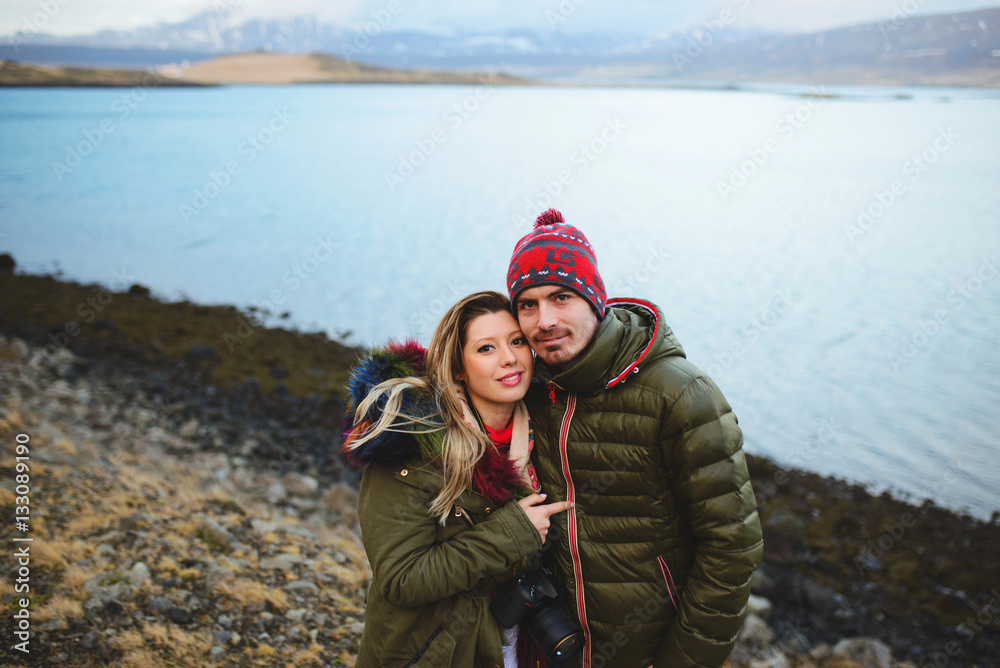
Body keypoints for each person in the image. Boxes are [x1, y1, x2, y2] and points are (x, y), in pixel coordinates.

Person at [505, 209, 764, 668]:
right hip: (553, 645)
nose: (544, 320)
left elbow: (732, 548)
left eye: (561, 297)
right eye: (528, 304)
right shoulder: (530, 390)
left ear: (594, 299)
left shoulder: (681, 394)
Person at [342, 290, 573, 667]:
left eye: (517, 341)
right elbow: (402, 580)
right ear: (459, 368)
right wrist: (513, 532)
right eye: (486, 348)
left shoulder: (547, 435)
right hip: (431, 653)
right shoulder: (410, 446)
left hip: (518, 645)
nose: (509, 357)